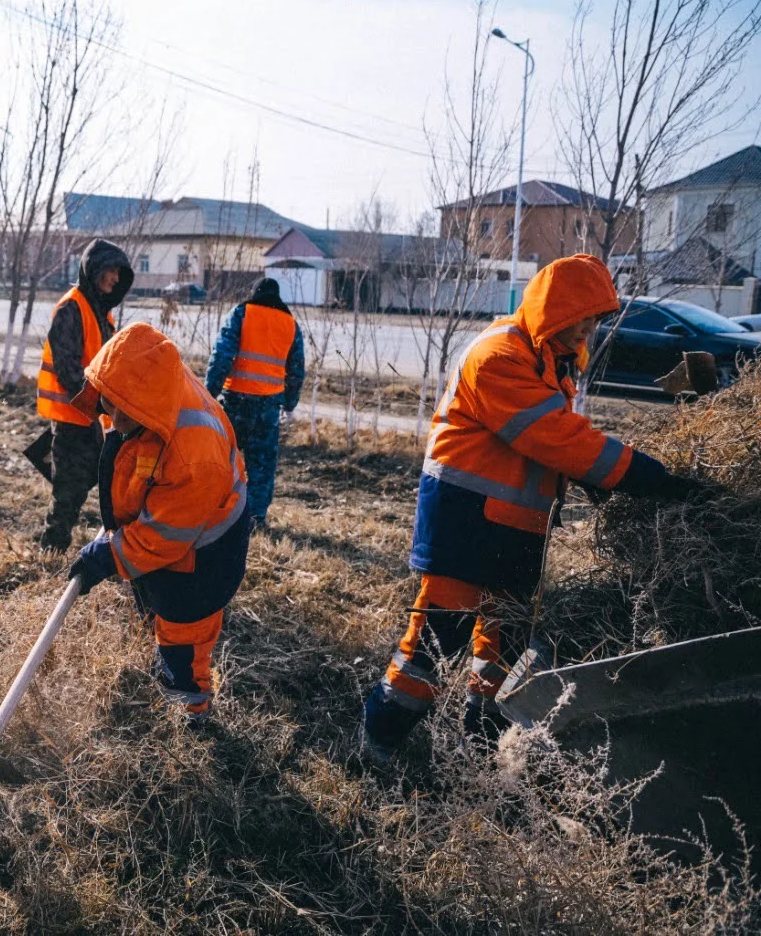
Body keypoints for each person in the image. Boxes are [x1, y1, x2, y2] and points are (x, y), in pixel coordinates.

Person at [359, 254, 703, 762]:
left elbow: (546, 446)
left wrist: (590, 479)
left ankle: (474, 756)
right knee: (432, 649)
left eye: (595, 318)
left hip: (516, 528)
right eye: (580, 317)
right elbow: (557, 438)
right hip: (466, 526)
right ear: (553, 310)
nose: (588, 329)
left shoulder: (549, 357)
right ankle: (377, 747)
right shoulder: (500, 356)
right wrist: (646, 477)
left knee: (505, 650)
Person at [71, 322, 252, 727]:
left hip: (206, 553)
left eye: (117, 407)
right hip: (177, 527)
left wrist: (107, 556)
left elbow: (161, 538)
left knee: (183, 635)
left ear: (140, 403)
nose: (109, 415)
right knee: (157, 607)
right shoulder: (145, 387)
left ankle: (189, 716)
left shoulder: (193, 457)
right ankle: (169, 673)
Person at [37, 239, 133, 551]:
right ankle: (51, 549)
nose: (116, 279)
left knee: (85, 480)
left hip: (90, 417)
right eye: (111, 271)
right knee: (69, 489)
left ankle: (50, 464)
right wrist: (103, 403)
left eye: (119, 273)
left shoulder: (101, 314)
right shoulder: (72, 308)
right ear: (94, 270)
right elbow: (68, 370)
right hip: (72, 416)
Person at [205, 277, 304, 531]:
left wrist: (209, 392)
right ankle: (255, 517)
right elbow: (296, 370)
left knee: (223, 458)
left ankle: (215, 508)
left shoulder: (242, 313)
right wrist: (290, 404)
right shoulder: (290, 325)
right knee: (262, 464)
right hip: (268, 407)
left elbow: (222, 354)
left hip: (235, 401)